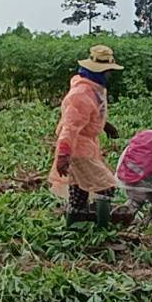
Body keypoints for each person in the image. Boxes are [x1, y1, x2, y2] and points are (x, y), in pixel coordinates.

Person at [48, 44, 123, 225]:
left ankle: (74, 227)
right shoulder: (80, 94)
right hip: (77, 148)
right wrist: (63, 155)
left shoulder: (93, 88)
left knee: (79, 188)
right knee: (105, 186)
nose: (109, 75)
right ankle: (102, 230)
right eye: (107, 71)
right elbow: (70, 127)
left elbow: (89, 114)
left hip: (84, 145)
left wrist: (105, 125)